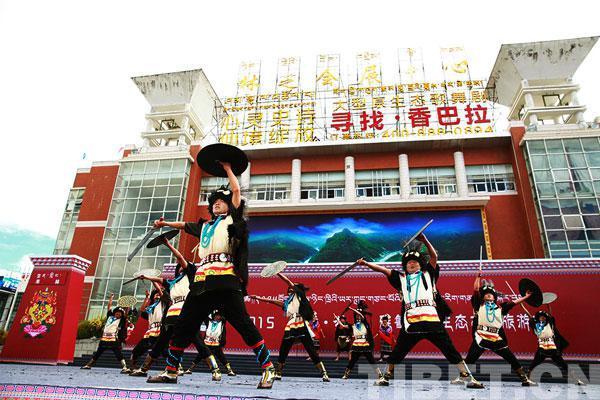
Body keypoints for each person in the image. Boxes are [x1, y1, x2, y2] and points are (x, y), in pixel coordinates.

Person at [147, 161, 275, 388]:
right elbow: (185, 225)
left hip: (225, 280)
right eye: (214, 203)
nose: (216, 204)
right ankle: (171, 370)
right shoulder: (205, 226)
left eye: (221, 202)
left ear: (229, 205)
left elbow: (236, 191)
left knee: (243, 324)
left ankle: (268, 369)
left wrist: (227, 168)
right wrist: (165, 223)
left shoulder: (232, 221)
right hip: (201, 282)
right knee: (184, 325)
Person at [356, 233, 484, 388]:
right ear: (405, 265)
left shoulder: (429, 274)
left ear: (420, 264)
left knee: (450, 349)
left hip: (432, 322)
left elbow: (434, 257)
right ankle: (386, 376)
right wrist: (366, 264)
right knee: (398, 352)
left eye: (415, 262)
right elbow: (383, 270)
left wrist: (425, 241)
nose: (412, 264)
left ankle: (468, 377)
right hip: (412, 323)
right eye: (409, 262)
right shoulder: (401, 278)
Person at [130, 237, 221, 381]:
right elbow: (158, 280)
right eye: (178, 267)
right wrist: (145, 276)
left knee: (197, 341)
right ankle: (144, 368)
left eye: (182, 265)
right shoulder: (172, 283)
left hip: (186, 314)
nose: (180, 267)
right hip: (171, 317)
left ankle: (215, 370)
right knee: (160, 343)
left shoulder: (191, 275)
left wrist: (167, 244)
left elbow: (179, 257)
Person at [450, 274, 536, 386]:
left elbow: (515, 302)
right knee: (470, 359)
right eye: (486, 294)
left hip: (496, 338)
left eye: (491, 294)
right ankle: (461, 379)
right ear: (482, 297)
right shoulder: (479, 305)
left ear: (495, 297)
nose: (489, 295)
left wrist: (527, 296)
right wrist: (478, 277)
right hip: (481, 336)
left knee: (511, 358)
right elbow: (476, 289)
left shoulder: (501, 308)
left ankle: (525, 379)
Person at [250, 272, 330, 382]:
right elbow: (271, 301)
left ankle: (324, 373)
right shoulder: (287, 303)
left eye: (294, 286)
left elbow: (287, 281)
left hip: (301, 323)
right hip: (291, 325)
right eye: (291, 287)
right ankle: (278, 372)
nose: (291, 287)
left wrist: (277, 272)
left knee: (311, 349)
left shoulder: (300, 295)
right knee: (284, 349)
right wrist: (258, 297)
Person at [521, 306, 586, 385]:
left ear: (546, 318)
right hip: (542, 348)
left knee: (564, 365)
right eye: (540, 317)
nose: (542, 318)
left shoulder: (550, 323)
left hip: (552, 348)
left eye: (544, 317)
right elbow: (529, 315)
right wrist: (522, 305)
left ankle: (577, 380)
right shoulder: (536, 325)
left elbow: (550, 314)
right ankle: (526, 380)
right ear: (538, 318)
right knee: (533, 365)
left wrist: (548, 304)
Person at [122, 285, 168, 374]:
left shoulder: (164, 304)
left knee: (164, 351)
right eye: (155, 294)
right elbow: (142, 311)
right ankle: (132, 367)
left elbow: (162, 295)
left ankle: (175, 367)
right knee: (137, 350)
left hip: (160, 330)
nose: (157, 295)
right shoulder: (151, 308)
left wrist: (153, 282)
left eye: (159, 294)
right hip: (150, 331)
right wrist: (146, 298)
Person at [81, 294, 128, 372]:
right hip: (104, 339)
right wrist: (111, 298)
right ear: (114, 312)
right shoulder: (110, 317)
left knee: (118, 353)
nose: (118, 314)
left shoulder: (121, 321)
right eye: (117, 312)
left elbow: (126, 314)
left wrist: (127, 306)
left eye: (120, 313)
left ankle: (125, 367)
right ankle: (89, 365)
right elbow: (109, 307)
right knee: (98, 353)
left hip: (113, 340)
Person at [185, 310, 236, 376]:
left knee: (222, 357)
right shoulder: (208, 321)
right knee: (199, 356)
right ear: (213, 316)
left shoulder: (222, 323)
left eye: (219, 316)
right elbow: (204, 315)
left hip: (216, 344)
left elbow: (225, 315)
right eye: (216, 315)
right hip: (207, 343)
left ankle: (230, 371)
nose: (217, 317)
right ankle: (190, 369)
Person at [342, 307, 382, 379]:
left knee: (371, 359)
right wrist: (338, 319)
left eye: (359, 316)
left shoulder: (365, 323)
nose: (358, 317)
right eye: (357, 316)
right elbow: (343, 326)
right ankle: (346, 374)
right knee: (353, 360)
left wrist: (351, 309)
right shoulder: (353, 326)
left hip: (365, 343)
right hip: (356, 344)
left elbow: (361, 315)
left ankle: (379, 374)